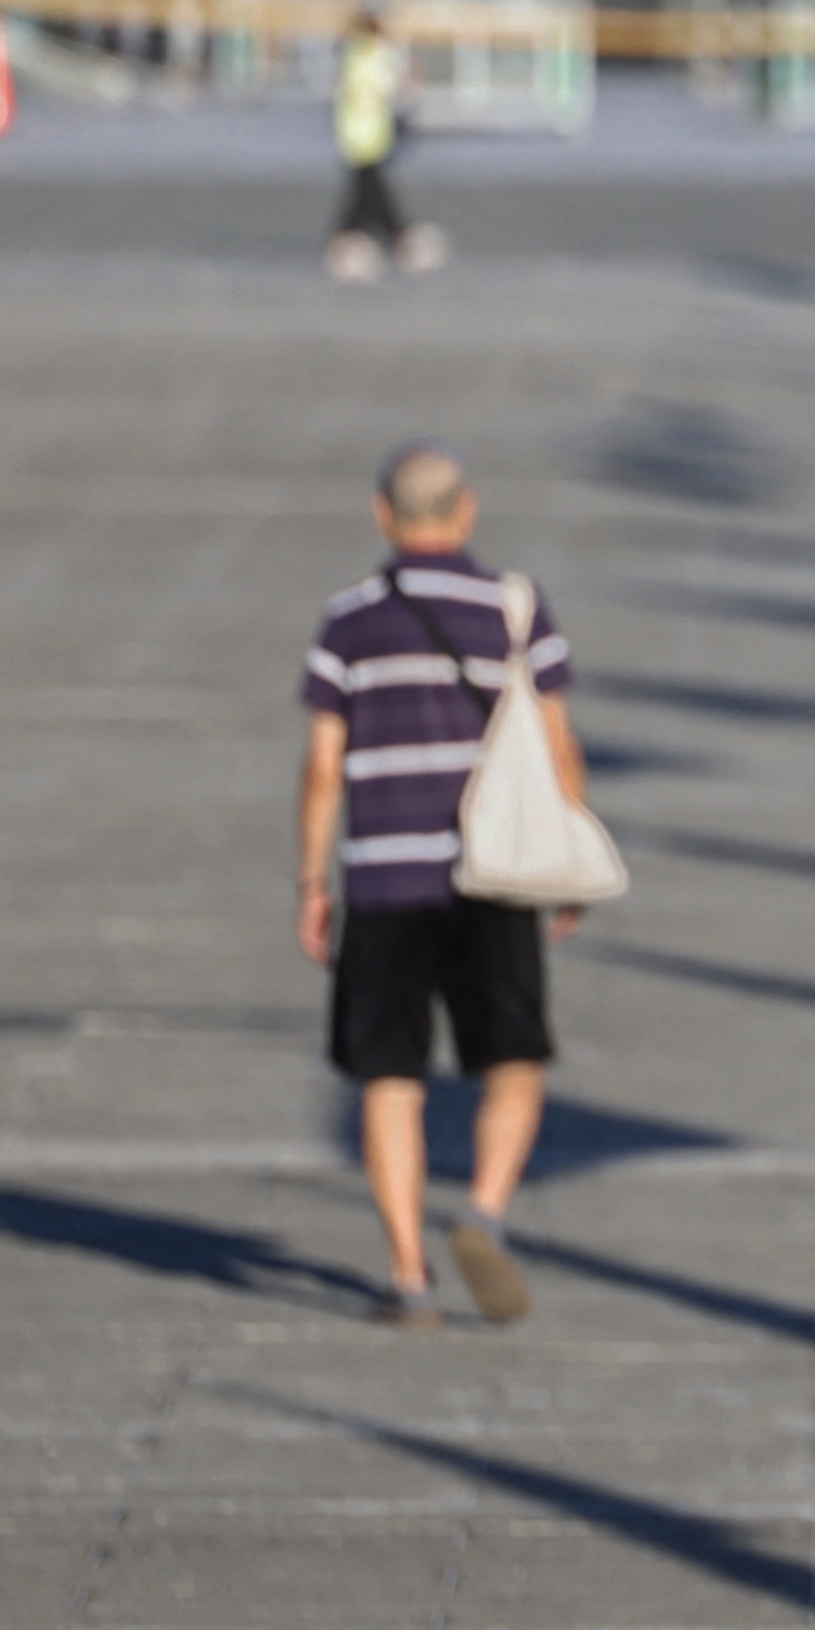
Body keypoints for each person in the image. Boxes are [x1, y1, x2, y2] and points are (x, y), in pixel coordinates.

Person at [294, 442, 592, 1329]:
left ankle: (409, 1273)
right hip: (492, 875)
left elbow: (322, 767)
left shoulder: (348, 619)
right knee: (515, 1058)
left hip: (384, 878)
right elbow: (559, 744)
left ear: (383, 515)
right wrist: (569, 858)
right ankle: (486, 1210)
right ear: (466, 512)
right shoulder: (516, 608)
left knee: (389, 1075)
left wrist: (313, 878)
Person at [325, 7, 441, 280]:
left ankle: (355, 239)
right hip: (368, 131)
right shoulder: (371, 54)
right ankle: (398, 240)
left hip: (360, 131)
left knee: (366, 191)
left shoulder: (356, 53)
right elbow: (387, 88)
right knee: (371, 190)